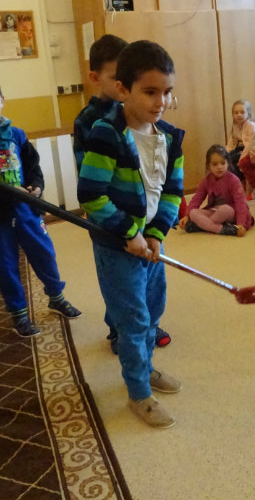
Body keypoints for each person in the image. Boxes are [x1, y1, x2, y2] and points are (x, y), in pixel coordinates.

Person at [77, 40, 184, 428]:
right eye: (150, 92)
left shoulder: (170, 137)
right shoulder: (106, 134)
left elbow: (172, 191)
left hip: (150, 245)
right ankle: (139, 392)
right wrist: (128, 232)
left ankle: (146, 367)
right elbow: (91, 194)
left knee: (153, 309)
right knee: (133, 320)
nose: (161, 102)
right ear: (123, 89)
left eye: (167, 92)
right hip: (116, 247)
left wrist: (156, 233)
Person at [0, 69, 81, 337]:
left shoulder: (18, 136)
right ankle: (19, 313)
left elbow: (34, 167)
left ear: (2, 100)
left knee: (44, 253)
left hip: (27, 211)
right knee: (5, 265)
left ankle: (56, 297)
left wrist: (36, 187)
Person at [72, 34, 172, 352]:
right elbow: (90, 181)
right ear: (97, 78)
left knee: (142, 284)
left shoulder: (141, 116)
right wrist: (118, 222)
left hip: (139, 215)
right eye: (117, 76)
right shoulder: (92, 122)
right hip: (111, 217)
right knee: (118, 281)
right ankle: (120, 326)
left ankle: (139, 323)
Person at [180, 144, 253, 235]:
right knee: (193, 213)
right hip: (215, 213)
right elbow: (197, 198)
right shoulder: (206, 181)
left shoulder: (234, 180)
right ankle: (222, 229)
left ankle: (202, 226)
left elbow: (240, 204)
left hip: (231, 213)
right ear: (209, 166)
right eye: (215, 164)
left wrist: (240, 224)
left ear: (228, 163)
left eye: (223, 163)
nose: (219, 167)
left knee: (224, 209)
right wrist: (187, 215)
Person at [225, 99, 255, 182]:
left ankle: (236, 183)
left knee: (233, 164)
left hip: (248, 151)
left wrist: (242, 157)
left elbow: (250, 145)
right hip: (237, 149)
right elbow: (231, 142)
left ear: (248, 113)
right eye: (236, 113)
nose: (239, 115)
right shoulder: (235, 126)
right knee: (225, 160)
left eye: (242, 112)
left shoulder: (251, 126)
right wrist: (224, 153)